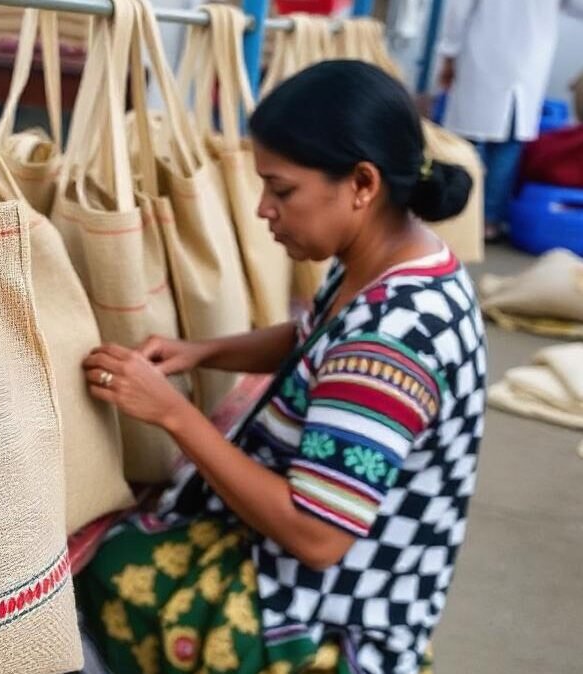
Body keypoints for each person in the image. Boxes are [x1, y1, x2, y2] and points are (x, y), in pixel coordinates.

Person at [75, 60, 486, 674]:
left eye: (282, 189)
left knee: (101, 578)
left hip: (332, 615)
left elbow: (316, 538)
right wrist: (202, 352)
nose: (264, 208)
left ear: (363, 183)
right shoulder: (394, 260)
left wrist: (174, 414)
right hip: (354, 578)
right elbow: (311, 339)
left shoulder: (390, 342)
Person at [436, 0, 583, 241]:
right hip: (527, 61)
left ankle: (453, 216)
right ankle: (488, 221)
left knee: (464, 144)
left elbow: (458, 10)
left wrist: (449, 52)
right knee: (507, 145)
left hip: (483, 56)